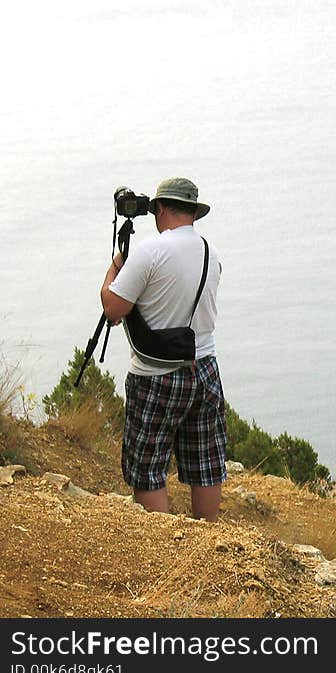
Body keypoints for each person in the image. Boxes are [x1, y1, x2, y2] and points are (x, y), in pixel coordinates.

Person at [100, 177, 227, 521]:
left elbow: (113, 308)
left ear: (159, 208)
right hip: (205, 369)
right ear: (193, 212)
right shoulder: (210, 252)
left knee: (148, 467)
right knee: (206, 463)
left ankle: (166, 543)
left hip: (155, 375)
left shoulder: (151, 251)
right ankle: (208, 541)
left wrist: (117, 263)